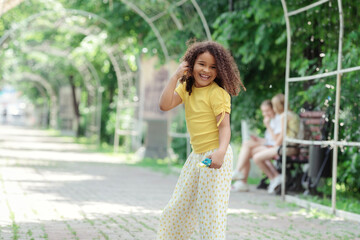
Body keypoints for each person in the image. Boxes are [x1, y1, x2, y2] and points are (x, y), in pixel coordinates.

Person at [157, 40, 245, 240]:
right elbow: (164, 105)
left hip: (215, 155)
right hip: (198, 158)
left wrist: (221, 152)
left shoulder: (217, 93)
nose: (207, 70)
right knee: (176, 208)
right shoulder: (187, 88)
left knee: (210, 215)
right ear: (191, 65)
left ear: (220, 70)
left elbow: (225, 127)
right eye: (202, 64)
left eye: (213, 66)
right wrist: (176, 75)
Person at [253, 93, 300, 194]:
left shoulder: (284, 116)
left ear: (278, 106)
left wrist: (274, 147)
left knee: (256, 157)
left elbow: (282, 135)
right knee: (258, 155)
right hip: (293, 146)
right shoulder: (292, 114)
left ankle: (275, 178)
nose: (274, 108)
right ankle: (275, 179)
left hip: (287, 148)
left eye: (274, 106)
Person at [231, 100, 282, 192]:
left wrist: (267, 125)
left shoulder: (278, 119)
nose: (265, 113)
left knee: (247, 146)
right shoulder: (271, 120)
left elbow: (276, 140)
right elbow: (268, 140)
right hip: (269, 145)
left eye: (267, 110)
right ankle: (241, 179)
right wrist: (258, 140)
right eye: (263, 111)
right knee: (247, 149)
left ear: (273, 109)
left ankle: (240, 177)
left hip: (275, 147)